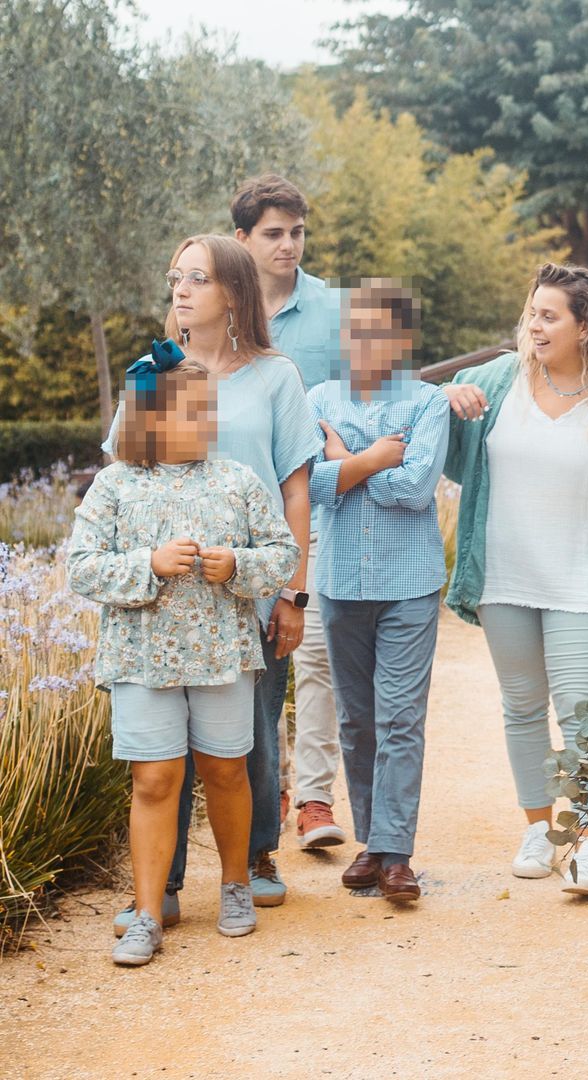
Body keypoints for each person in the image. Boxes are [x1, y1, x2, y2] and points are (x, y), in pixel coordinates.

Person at [105, 235, 321, 932]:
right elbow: (119, 472)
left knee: (243, 741)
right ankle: (160, 887)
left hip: (246, 589)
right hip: (158, 598)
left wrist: (291, 592)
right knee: (160, 755)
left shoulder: (274, 376)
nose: (181, 289)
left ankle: (253, 862)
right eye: (175, 278)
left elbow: (296, 490)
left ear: (232, 290)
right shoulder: (150, 370)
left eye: (196, 277)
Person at [70, 358, 300, 965]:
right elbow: (81, 567)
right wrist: (148, 562)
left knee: (226, 771)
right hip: (141, 659)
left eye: (208, 407)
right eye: (192, 408)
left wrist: (239, 569)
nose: (207, 419)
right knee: (153, 780)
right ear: (151, 415)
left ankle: (234, 886)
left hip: (222, 654)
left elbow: (282, 553)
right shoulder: (115, 485)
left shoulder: (238, 481)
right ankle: (147, 912)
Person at [440, 264, 588, 894]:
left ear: (584, 325)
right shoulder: (497, 382)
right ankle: (539, 827)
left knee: (587, 716)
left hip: (585, 583)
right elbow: (433, 408)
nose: (534, 326)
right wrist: (448, 400)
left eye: (549, 316)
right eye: (531, 314)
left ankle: (587, 841)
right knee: (521, 708)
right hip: (505, 578)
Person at [308, 283, 451, 903]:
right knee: (357, 720)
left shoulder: (428, 402)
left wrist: (349, 464)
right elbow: (311, 486)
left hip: (409, 586)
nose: (364, 342)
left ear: (401, 340)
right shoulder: (316, 400)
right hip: (341, 582)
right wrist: (373, 460)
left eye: (378, 331)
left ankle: (397, 856)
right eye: (355, 329)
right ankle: (371, 841)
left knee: (399, 718)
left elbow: (419, 489)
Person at [231, 173, 349, 854]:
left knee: (313, 657)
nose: (289, 245)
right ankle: (265, 789)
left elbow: (371, 391)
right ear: (242, 238)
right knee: (253, 665)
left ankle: (312, 797)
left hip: (315, 504)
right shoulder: (224, 308)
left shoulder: (333, 310)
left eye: (297, 233)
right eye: (274, 233)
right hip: (237, 518)